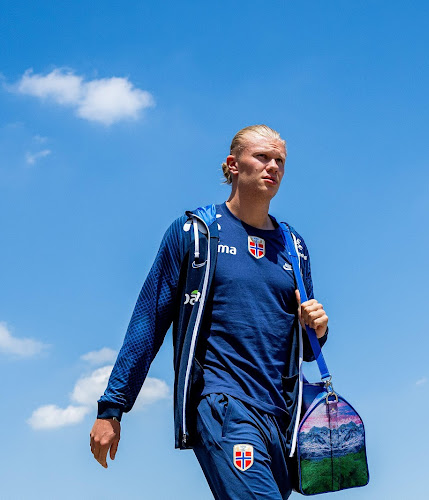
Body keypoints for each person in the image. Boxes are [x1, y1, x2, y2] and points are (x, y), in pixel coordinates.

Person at [89, 125, 329, 499]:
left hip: (282, 417)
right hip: (223, 405)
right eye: (262, 157)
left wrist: (318, 327)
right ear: (233, 165)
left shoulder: (293, 245)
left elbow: (307, 345)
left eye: (279, 160)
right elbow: (148, 320)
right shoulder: (195, 233)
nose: (273, 167)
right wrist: (113, 406)